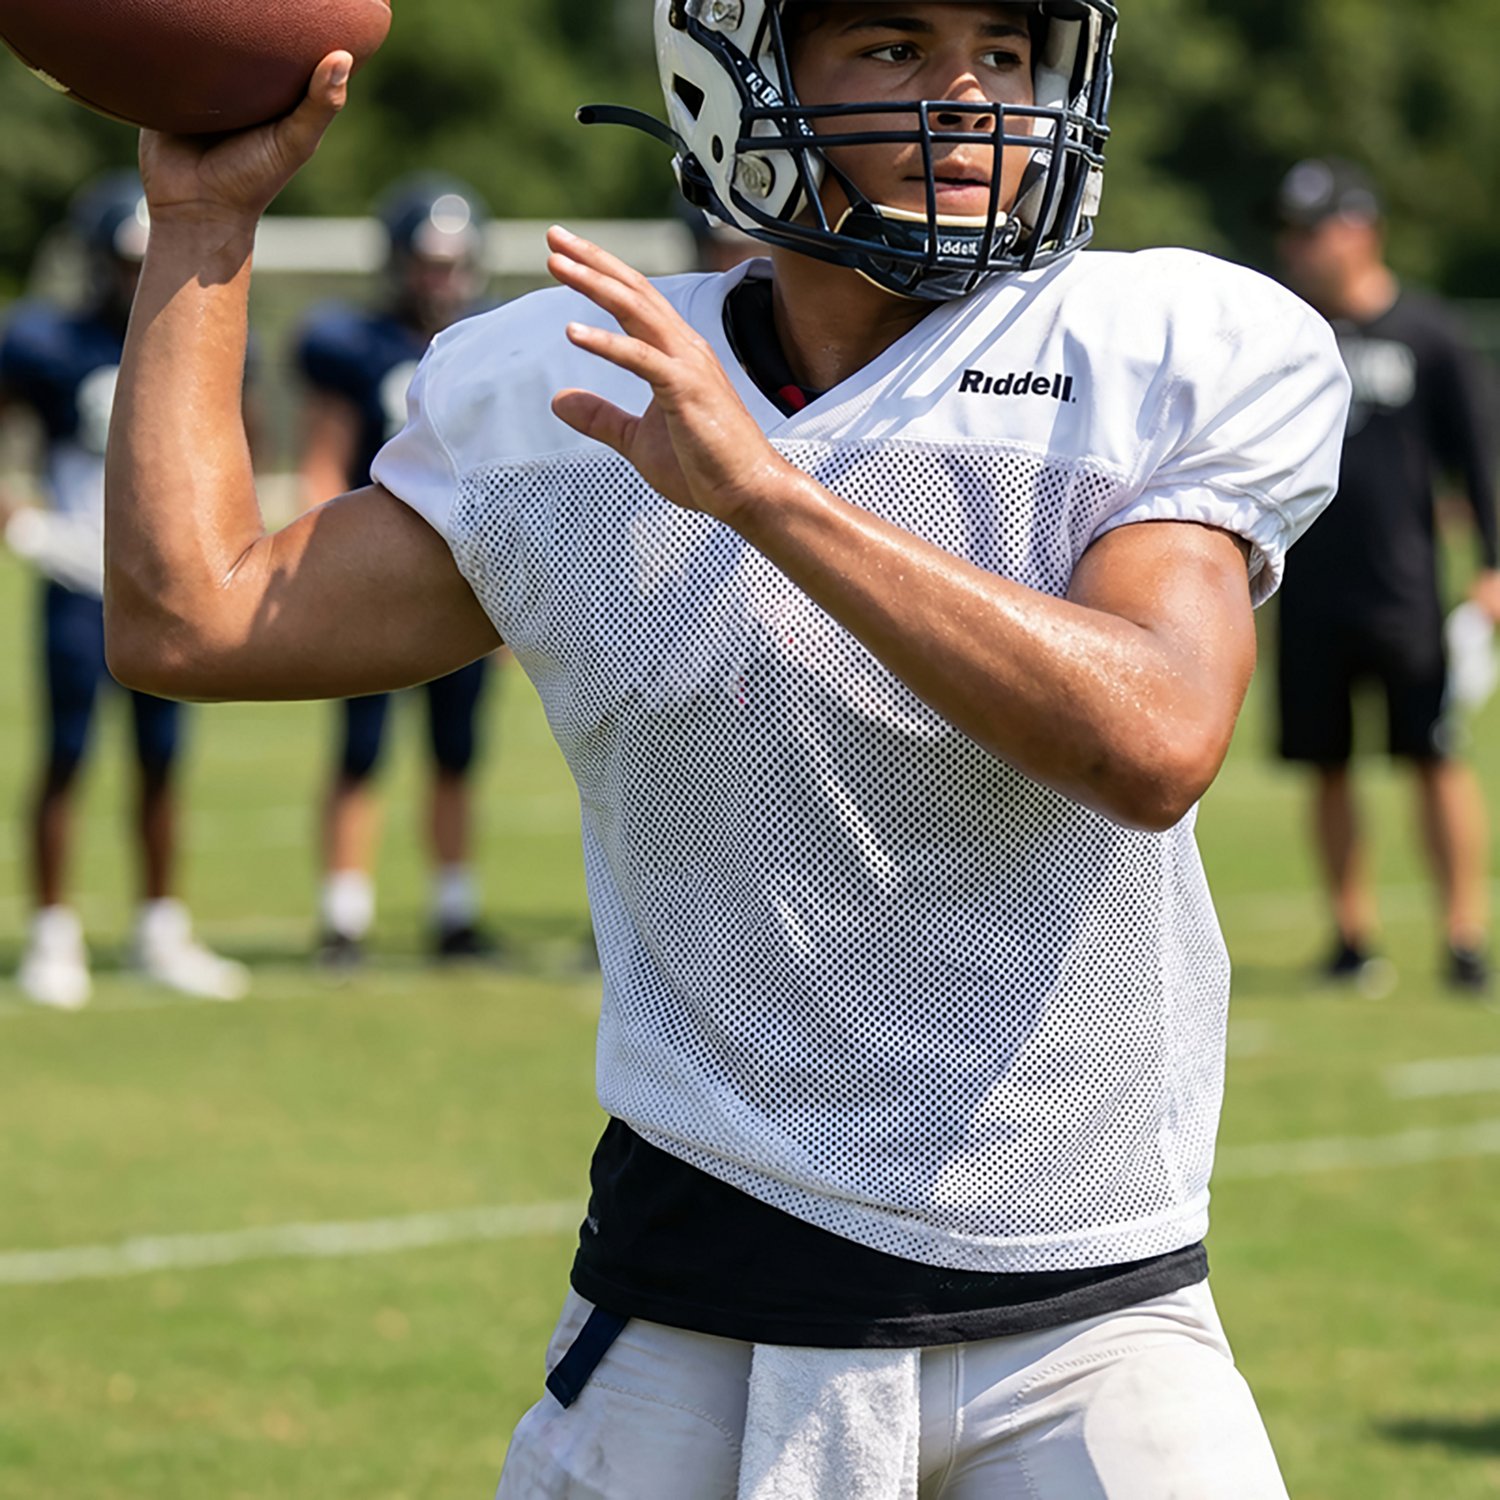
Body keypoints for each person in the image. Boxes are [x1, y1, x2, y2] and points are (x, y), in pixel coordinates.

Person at [106, 2, 1351, 1493]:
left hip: (1085, 1326)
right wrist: (202, 224)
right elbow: (195, 618)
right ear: (736, 79)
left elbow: (1154, 737)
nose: (968, 97)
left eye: (1006, 52)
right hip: (692, 1309)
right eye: (894, 47)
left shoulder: (1157, 345)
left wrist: (770, 494)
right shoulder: (581, 387)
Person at [0, 173, 248, 1010]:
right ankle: (52, 932)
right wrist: (17, 515)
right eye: (123, 261)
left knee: (162, 761)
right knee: (67, 755)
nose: (134, 277)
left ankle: (158, 926)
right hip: (77, 573)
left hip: (163, 582)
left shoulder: (184, 337)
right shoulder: (48, 342)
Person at [1274, 157, 1500, 996]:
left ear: (1361, 228)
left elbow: (1478, 463)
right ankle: (1350, 935)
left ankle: (1463, 936)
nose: (1297, 247)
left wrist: (1491, 569)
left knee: (1433, 757)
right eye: (1290, 231)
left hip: (1407, 595)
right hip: (1307, 591)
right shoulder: (1289, 332)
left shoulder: (1430, 333)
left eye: (1313, 228)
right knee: (1325, 764)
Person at [294, 176, 499, 966]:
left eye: (454, 263)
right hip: (372, 573)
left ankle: (454, 910)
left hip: (464, 578)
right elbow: (320, 463)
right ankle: (344, 916)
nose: (442, 279)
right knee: (361, 748)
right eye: (428, 263)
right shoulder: (355, 345)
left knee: (456, 750)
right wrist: (320, 566)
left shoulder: (486, 344)